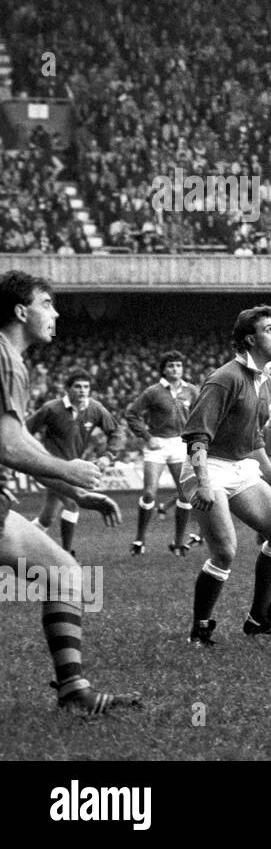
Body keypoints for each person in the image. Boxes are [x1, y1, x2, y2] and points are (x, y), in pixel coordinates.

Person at [0, 270, 139, 714]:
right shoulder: (4, 356)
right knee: (64, 574)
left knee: (63, 574)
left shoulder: (9, 358)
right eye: (46, 303)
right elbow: (8, 444)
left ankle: (74, 691)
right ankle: (74, 692)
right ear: (21, 312)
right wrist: (70, 471)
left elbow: (23, 445)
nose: (56, 312)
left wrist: (72, 490)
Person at [180, 305, 271, 647]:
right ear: (250, 339)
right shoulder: (225, 378)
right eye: (269, 330)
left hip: (240, 468)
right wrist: (203, 481)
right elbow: (196, 436)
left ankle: (259, 618)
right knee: (225, 552)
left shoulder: (266, 382)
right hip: (208, 468)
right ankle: (199, 629)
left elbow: (254, 439)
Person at [27, 369, 126, 557]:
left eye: (86, 387)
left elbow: (116, 432)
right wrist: (35, 455)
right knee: (72, 504)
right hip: (49, 468)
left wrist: (108, 456)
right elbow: (25, 430)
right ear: (67, 389)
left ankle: (12, 548)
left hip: (72, 471)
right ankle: (67, 556)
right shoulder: (51, 408)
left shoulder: (95, 409)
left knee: (46, 520)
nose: (83, 390)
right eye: (78, 386)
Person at [124, 349, 199, 556]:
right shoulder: (153, 392)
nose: (175, 369)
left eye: (178, 365)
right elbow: (131, 414)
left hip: (180, 445)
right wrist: (148, 437)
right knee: (149, 492)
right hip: (157, 446)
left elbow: (201, 415)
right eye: (171, 366)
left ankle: (178, 542)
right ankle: (139, 540)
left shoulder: (191, 391)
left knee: (185, 492)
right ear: (164, 370)